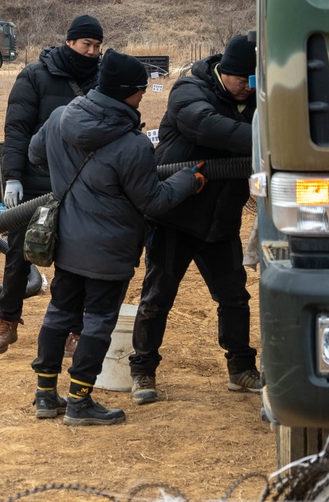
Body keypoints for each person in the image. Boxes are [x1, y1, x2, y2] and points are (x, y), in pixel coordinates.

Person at [28, 50, 205, 425]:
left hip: (67, 240)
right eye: (141, 90)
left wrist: (68, 179)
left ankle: (46, 395)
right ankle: (79, 401)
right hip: (109, 252)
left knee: (59, 312)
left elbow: (35, 154)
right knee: (97, 322)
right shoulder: (133, 144)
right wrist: (189, 180)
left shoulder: (61, 118)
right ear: (126, 92)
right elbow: (154, 202)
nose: (144, 96)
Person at [129, 34, 259, 405]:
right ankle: (143, 369)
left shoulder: (254, 99)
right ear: (224, 72)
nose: (247, 89)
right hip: (176, 217)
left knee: (234, 298)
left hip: (221, 221)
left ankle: (241, 369)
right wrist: (268, 138)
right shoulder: (190, 89)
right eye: (241, 81)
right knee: (157, 299)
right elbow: (204, 125)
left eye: (254, 82)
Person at [0, 14, 104, 355]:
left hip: (82, 184)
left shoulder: (101, 79)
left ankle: (74, 329)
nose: (92, 51)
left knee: (76, 259)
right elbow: (17, 130)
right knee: (18, 256)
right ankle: (7, 322)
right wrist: (12, 178)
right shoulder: (35, 76)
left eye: (97, 46)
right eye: (87, 44)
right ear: (70, 42)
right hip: (36, 184)